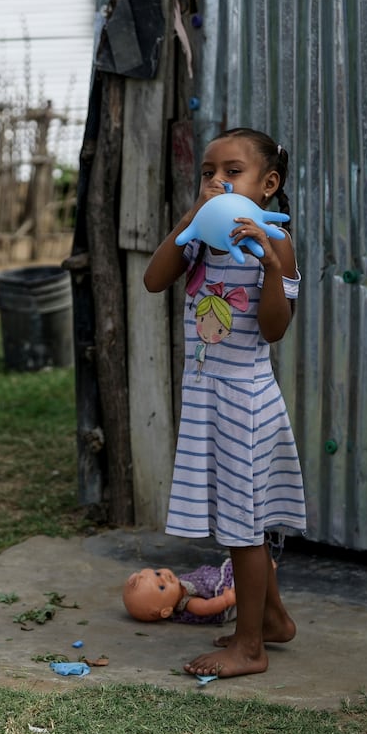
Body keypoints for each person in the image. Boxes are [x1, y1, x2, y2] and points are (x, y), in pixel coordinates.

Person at [142, 126, 304, 677]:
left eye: (232, 172)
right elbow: (152, 279)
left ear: (267, 185)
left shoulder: (275, 242)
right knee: (244, 522)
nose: (216, 181)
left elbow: (275, 329)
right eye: (208, 173)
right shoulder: (202, 239)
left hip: (244, 400)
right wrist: (188, 224)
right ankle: (274, 621)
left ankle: (250, 648)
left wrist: (273, 268)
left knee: (242, 527)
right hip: (206, 397)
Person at [123, 562, 236, 625]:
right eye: (162, 587)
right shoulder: (188, 602)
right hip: (230, 595)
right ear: (166, 611)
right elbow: (207, 607)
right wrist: (226, 600)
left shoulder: (179, 584)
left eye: (157, 574)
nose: (163, 577)